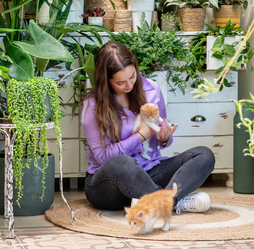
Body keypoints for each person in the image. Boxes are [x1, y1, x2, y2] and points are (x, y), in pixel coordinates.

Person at [81, 41, 215, 212]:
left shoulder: (151, 89)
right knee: (121, 163)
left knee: (204, 155)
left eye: (132, 76)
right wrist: (141, 136)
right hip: (107, 185)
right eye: (120, 83)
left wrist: (165, 138)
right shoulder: (93, 105)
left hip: (149, 173)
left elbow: (161, 137)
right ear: (106, 81)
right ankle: (171, 201)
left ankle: (160, 201)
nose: (129, 85)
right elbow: (103, 157)